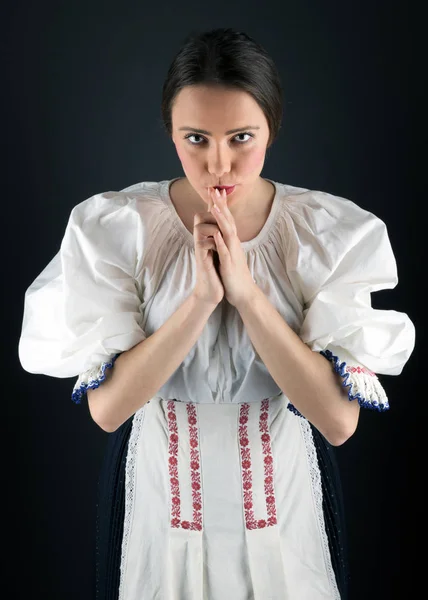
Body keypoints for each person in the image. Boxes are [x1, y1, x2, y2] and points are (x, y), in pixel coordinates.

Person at [18, 27, 415, 600]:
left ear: (271, 130)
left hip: (283, 499)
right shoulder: (121, 227)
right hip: (158, 499)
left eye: (241, 137)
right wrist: (201, 299)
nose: (219, 164)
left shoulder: (323, 232)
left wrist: (248, 296)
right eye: (196, 138)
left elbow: (337, 421)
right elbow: (107, 411)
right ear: (171, 133)